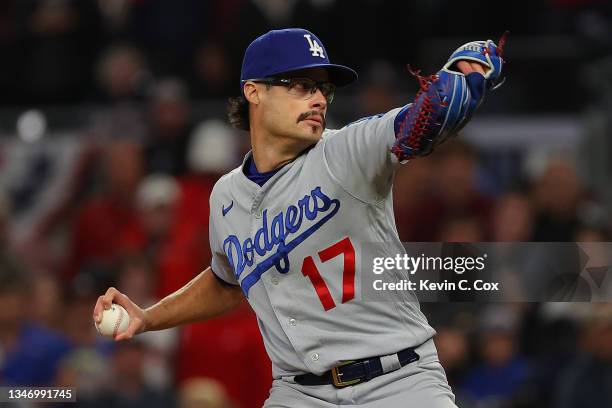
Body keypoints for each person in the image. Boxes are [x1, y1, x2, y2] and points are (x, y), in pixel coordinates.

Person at [94, 28, 506, 407]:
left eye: (323, 88)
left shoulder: (345, 153)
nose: (319, 99)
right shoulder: (226, 196)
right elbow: (226, 282)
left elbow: (421, 119)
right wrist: (148, 318)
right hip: (300, 393)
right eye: (301, 85)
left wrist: (460, 81)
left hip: (398, 381)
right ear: (254, 92)